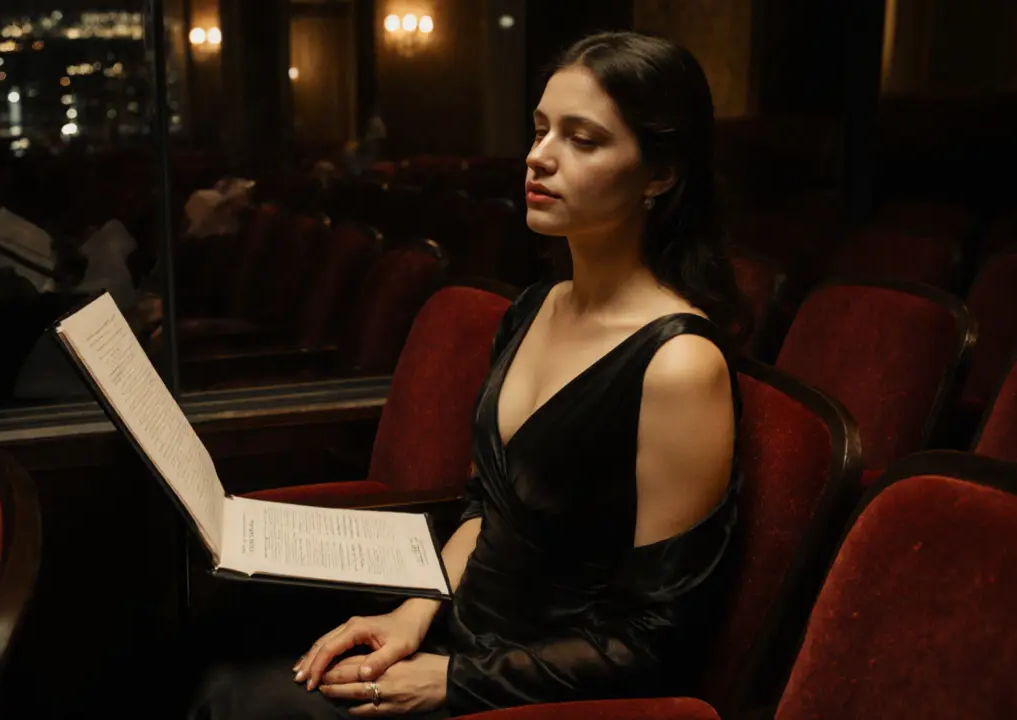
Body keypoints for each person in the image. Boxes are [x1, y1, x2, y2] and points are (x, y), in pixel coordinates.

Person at [187, 30, 748, 718]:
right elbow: (488, 509)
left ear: (660, 173)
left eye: (583, 139)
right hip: (461, 634)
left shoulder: (680, 365)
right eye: (541, 130)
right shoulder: (535, 307)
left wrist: (450, 680)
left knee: (237, 699)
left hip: (541, 691)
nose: (539, 158)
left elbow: (653, 642)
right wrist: (411, 613)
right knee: (215, 632)